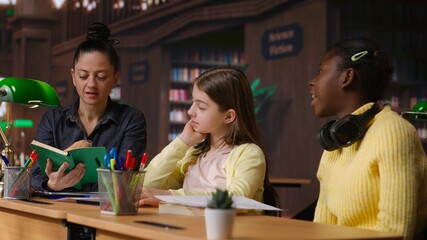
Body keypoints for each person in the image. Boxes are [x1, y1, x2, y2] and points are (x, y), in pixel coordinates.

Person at [309, 37, 427, 239]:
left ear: (347, 77)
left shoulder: (394, 133)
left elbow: (397, 233)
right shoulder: (336, 144)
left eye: (321, 71)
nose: (312, 81)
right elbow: (322, 230)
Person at [138, 66, 274, 212]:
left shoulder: (249, 154)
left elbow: (236, 199)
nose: (190, 111)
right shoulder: (194, 154)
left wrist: (169, 196)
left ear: (228, 116)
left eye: (201, 107)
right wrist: (183, 141)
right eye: (192, 102)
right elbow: (146, 185)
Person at [31, 22, 147, 192]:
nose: (91, 84)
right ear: (73, 77)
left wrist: (90, 153)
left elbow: (125, 180)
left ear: (115, 79)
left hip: (106, 215)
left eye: (101, 77)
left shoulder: (131, 121)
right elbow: (34, 175)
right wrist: (51, 184)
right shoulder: (53, 120)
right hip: (58, 212)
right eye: (83, 76)